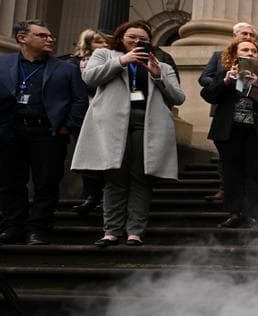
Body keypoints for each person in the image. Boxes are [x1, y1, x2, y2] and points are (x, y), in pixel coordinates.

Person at [72, 20, 186, 246]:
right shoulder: (104, 55)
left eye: (142, 39)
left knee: (141, 178)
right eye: (131, 37)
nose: (137, 42)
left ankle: (135, 231)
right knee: (115, 178)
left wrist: (156, 76)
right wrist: (122, 61)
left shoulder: (162, 64)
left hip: (148, 123)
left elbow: (178, 97)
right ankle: (111, 231)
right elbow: (90, 79)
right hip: (112, 124)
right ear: (121, 38)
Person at [0, 20, 88, 245]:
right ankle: (13, 227)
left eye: (50, 36)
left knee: (46, 183)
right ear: (23, 38)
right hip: (11, 131)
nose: (50, 39)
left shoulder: (66, 68)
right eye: (42, 35)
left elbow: (79, 101)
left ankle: (38, 229)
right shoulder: (3, 63)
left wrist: (66, 127)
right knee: (10, 182)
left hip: (48, 133)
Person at [200, 38, 258, 229]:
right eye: (245, 50)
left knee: (256, 175)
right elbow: (208, 95)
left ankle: (252, 216)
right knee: (232, 175)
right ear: (235, 54)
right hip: (230, 132)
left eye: (254, 51)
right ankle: (234, 213)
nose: (250, 54)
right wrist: (226, 81)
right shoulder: (226, 73)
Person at [198, 22, 258, 204]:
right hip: (226, 110)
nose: (248, 37)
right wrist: (224, 81)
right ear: (234, 36)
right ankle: (224, 189)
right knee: (226, 157)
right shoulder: (219, 57)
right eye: (244, 34)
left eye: (252, 35)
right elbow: (204, 77)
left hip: (253, 117)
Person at [68, 29, 110, 215]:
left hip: (105, 115)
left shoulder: (112, 62)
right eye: (99, 42)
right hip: (83, 116)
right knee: (86, 159)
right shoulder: (72, 64)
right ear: (88, 43)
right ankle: (90, 196)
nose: (105, 45)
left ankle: (103, 197)